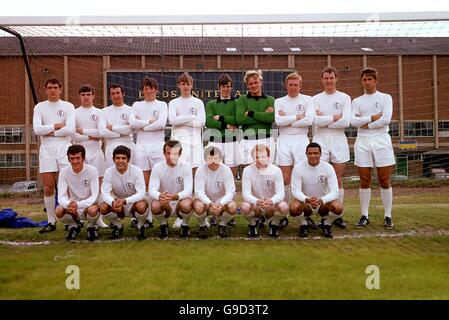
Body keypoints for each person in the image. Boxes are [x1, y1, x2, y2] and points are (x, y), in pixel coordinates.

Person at [351, 67, 395, 230]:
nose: (367, 82)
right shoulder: (356, 101)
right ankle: (364, 215)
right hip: (362, 141)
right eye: (364, 79)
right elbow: (352, 121)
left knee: (384, 180)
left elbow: (386, 119)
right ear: (361, 81)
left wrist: (366, 125)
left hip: (381, 140)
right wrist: (371, 118)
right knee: (364, 180)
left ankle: (388, 216)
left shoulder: (385, 98)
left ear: (376, 80)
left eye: (370, 79)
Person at [33, 78, 75, 233]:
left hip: (64, 146)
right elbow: (37, 130)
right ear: (46, 89)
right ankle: (51, 221)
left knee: (68, 185)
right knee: (49, 186)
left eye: (55, 87)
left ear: (60, 89)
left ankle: (70, 220)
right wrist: (57, 125)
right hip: (47, 147)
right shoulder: (39, 107)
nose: (52, 90)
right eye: (49, 87)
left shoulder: (68, 106)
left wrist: (50, 130)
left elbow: (70, 129)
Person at [312, 67, 352, 229]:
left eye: (331, 78)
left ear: (336, 79)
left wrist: (324, 118)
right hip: (320, 139)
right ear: (321, 80)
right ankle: (323, 215)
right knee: (321, 178)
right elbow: (314, 121)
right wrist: (334, 117)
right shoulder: (314, 99)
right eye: (326, 78)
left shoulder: (345, 98)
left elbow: (346, 122)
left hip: (339, 140)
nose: (329, 81)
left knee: (337, 178)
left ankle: (337, 215)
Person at [168, 73, 205, 229]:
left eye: (187, 83)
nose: (185, 86)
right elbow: (172, 120)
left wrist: (182, 118)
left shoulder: (198, 102)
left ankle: (201, 216)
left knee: (197, 178)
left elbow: (201, 122)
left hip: (195, 143)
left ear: (192, 85)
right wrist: (191, 117)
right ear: (178, 85)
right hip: (179, 144)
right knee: (181, 178)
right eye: (182, 83)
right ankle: (181, 216)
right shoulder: (173, 102)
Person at [129, 77, 168, 228]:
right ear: (142, 90)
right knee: (144, 182)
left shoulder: (162, 104)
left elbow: (162, 123)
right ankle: (148, 217)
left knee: (158, 182)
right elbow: (132, 123)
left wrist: (142, 125)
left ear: (156, 90)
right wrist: (150, 122)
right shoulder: (137, 105)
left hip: (157, 146)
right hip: (141, 147)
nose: (149, 90)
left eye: (151, 88)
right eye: (146, 88)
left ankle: (161, 216)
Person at [274, 72, 314, 211]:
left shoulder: (308, 100)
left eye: (296, 85)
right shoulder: (279, 101)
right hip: (284, 139)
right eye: (290, 85)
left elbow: (309, 120)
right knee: (285, 178)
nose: (293, 87)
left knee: (302, 176)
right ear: (286, 85)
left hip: (301, 139)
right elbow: (278, 121)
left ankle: (303, 211)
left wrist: (288, 120)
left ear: (300, 86)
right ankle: (284, 211)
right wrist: (297, 117)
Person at [71, 84, 108, 229]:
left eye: (88, 94)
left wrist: (83, 131)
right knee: (78, 183)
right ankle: (76, 216)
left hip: (96, 151)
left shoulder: (100, 112)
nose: (86, 97)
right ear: (79, 96)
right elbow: (72, 133)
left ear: (93, 96)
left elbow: (101, 133)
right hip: (80, 152)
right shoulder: (74, 113)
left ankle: (97, 218)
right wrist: (91, 135)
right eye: (83, 94)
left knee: (99, 183)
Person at [290, 142, 343, 238]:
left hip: (323, 203)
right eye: (310, 153)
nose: (313, 156)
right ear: (306, 154)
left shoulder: (328, 167)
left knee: (338, 207)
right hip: (306, 203)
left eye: (316, 153)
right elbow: (295, 191)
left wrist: (321, 200)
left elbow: (335, 191)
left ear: (320, 154)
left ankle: (326, 224)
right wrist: (307, 199)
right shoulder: (298, 168)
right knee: (293, 207)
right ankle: (304, 224)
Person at [100, 145, 148, 240]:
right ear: (113, 159)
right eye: (117, 158)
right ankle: (118, 226)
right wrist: (113, 202)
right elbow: (104, 193)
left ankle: (140, 226)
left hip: (134, 203)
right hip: (117, 204)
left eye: (123, 158)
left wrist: (125, 201)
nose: (120, 161)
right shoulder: (108, 172)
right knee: (103, 207)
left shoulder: (137, 171)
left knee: (142, 206)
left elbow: (141, 193)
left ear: (128, 159)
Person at [240, 144, 288, 238]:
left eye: (263, 156)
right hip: (255, 205)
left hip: (270, 205)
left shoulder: (276, 170)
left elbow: (281, 194)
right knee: (244, 206)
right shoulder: (247, 170)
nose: (259, 159)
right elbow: (246, 194)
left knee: (284, 206)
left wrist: (270, 201)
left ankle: (273, 224)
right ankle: (253, 225)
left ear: (268, 157)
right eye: (257, 157)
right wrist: (257, 201)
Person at [149, 140, 193, 238]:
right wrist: (160, 196)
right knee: (155, 205)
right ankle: (163, 224)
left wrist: (174, 197)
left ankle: (185, 224)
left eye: (175, 153)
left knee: (187, 204)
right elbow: (151, 190)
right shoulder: (157, 167)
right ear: (164, 154)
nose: (171, 156)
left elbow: (189, 190)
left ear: (180, 154)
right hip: (164, 202)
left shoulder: (186, 166)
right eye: (168, 153)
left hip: (179, 201)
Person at [55, 145, 100, 241]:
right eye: (72, 158)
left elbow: (95, 196)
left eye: (78, 158)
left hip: (88, 206)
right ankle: (74, 226)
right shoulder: (64, 172)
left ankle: (91, 226)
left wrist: (78, 204)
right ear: (68, 159)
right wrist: (68, 204)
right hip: (73, 206)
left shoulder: (92, 170)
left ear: (83, 158)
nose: (75, 161)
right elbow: (61, 196)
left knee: (93, 210)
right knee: (58, 210)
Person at [193, 146, 237, 238]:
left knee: (233, 206)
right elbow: (198, 192)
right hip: (206, 202)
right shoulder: (200, 170)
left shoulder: (226, 170)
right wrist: (210, 204)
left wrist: (221, 203)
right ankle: (202, 226)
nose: (213, 161)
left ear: (221, 159)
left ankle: (223, 225)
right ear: (205, 159)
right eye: (210, 158)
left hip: (221, 202)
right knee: (198, 206)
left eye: (216, 158)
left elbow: (231, 192)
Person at [205, 74, 242, 177]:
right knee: (215, 175)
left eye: (228, 86)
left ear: (232, 87)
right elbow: (208, 122)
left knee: (231, 176)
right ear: (219, 87)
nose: (226, 89)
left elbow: (238, 120)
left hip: (232, 141)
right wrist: (228, 126)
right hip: (215, 141)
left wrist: (220, 118)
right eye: (223, 86)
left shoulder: (237, 103)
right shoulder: (211, 104)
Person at [236, 70, 276, 165]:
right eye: (250, 83)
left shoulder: (270, 100)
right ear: (247, 85)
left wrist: (251, 113)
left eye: (256, 82)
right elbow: (240, 119)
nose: (253, 85)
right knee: (250, 173)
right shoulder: (242, 99)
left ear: (261, 82)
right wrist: (263, 115)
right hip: (248, 141)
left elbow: (270, 118)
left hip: (266, 140)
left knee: (267, 173)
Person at [99, 83, 135, 169]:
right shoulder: (104, 111)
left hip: (128, 145)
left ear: (123, 94)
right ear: (110, 96)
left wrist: (112, 127)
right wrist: (122, 133)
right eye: (113, 93)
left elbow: (131, 129)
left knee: (130, 174)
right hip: (111, 146)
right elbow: (102, 132)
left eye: (118, 93)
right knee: (112, 175)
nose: (116, 96)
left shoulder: (131, 110)